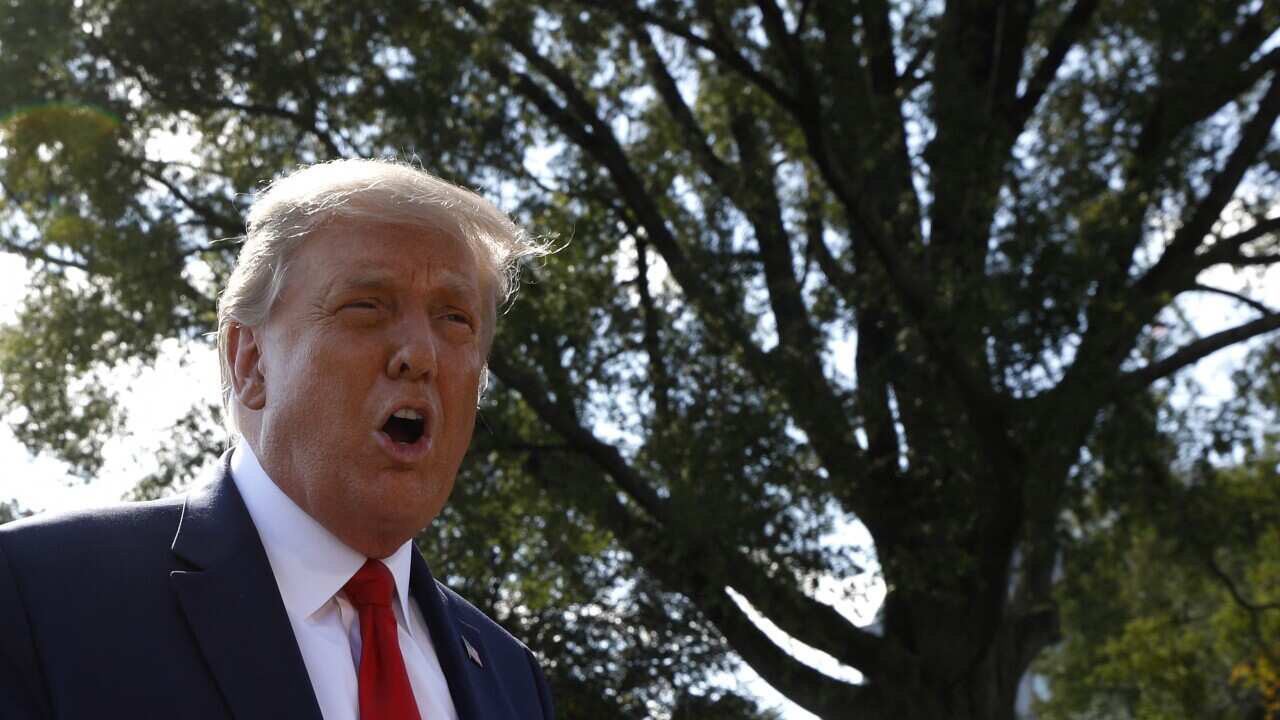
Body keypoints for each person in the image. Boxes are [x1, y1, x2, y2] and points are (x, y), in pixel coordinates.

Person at [0, 159, 555, 719]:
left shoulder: (512, 679)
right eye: (366, 305)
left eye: (455, 319)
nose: (420, 354)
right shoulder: (38, 595)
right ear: (251, 360)